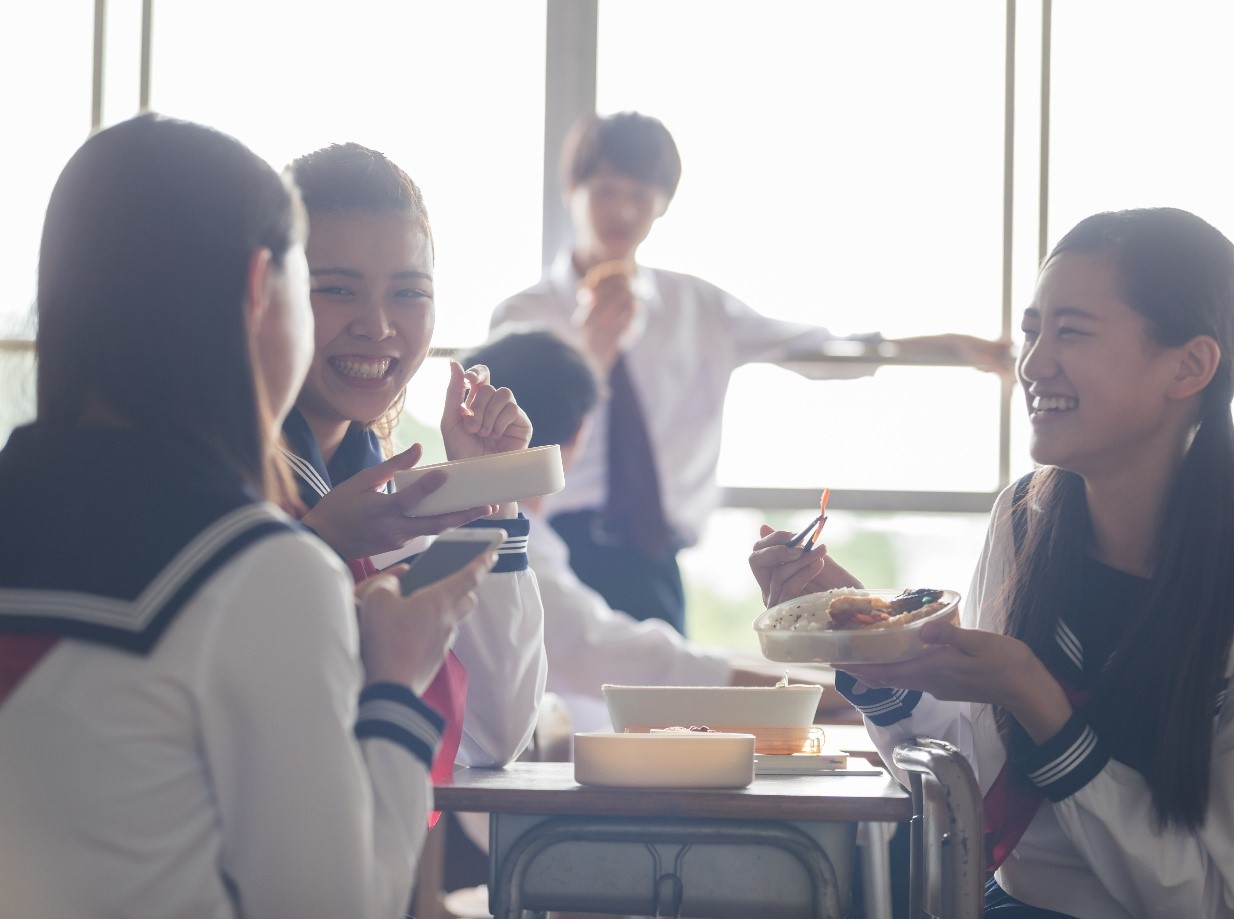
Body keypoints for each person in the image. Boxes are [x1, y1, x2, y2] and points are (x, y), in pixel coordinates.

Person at [749, 207, 1234, 917]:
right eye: (1030, 330)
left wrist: (1036, 697)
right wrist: (868, 645)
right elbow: (975, 786)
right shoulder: (1026, 518)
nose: (1031, 363)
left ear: (1190, 364)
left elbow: (1202, 895)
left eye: (1070, 331)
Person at [0, 114, 492, 918]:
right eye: (319, 285)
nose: (371, 324)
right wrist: (397, 682)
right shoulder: (258, 570)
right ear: (263, 286)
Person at [491, 111, 1013, 635]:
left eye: (641, 196)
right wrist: (593, 354)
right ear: (572, 191)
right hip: (549, 544)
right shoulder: (523, 316)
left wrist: (942, 345)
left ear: (663, 205)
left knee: (662, 706)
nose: (623, 211)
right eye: (606, 191)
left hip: (654, 556)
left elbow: (821, 353)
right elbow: (506, 444)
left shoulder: (697, 306)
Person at [283, 142, 545, 781]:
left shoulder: (395, 494)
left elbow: (492, 735)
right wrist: (318, 543)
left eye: (408, 292)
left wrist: (489, 493)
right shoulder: (225, 474)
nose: (377, 326)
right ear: (270, 292)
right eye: (336, 290)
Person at [463, 328, 846, 731]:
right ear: (581, 430)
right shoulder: (512, 543)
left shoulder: (514, 537)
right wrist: (829, 692)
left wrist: (826, 686)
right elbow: (621, 658)